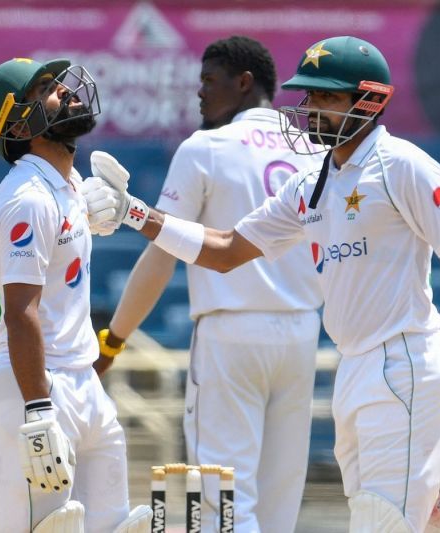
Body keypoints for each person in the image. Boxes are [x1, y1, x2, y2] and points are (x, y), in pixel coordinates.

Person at [83, 36, 440, 532]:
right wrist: (135, 213)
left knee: (386, 523)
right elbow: (226, 250)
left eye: (327, 98)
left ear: (369, 102)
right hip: (356, 364)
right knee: (373, 516)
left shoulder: (403, 165)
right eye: (309, 97)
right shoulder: (311, 181)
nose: (312, 110)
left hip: (409, 359)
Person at [93, 36, 323, 533]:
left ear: (244, 83)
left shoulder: (205, 148)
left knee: (223, 502)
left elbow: (162, 256)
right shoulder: (313, 149)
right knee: (279, 504)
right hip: (303, 332)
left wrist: (114, 339)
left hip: (230, 334)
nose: (199, 94)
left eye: (208, 81)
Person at [0, 57, 150, 533]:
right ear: (18, 122)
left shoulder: (69, 185)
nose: (68, 92)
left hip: (83, 383)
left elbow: (10, 306)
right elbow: (19, 311)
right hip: (40, 390)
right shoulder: (26, 197)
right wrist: (35, 408)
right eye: (47, 89)